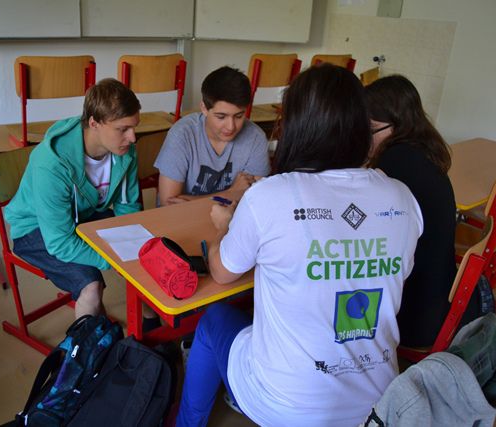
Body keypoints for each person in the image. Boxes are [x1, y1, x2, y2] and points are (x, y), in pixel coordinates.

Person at [175, 65, 423, 427]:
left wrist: (224, 229)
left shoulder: (269, 196)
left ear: (296, 126)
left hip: (286, 404)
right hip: (380, 403)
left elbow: (221, 272)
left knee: (214, 318)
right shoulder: (401, 197)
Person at [5, 78, 157, 323]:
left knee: (143, 252)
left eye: (134, 127)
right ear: (94, 123)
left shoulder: (124, 151)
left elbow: (127, 208)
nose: (132, 137)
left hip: (83, 216)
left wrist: (133, 250)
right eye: (122, 129)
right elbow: (59, 242)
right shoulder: (52, 163)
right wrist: (113, 259)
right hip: (36, 229)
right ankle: (90, 343)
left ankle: (148, 323)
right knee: (91, 286)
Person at [365, 75, 481, 348]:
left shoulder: (394, 163)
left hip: (415, 316)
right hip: (440, 302)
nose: (365, 138)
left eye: (371, 129)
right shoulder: (424, 151)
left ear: (397, 124)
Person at [154, 66, 271, 206]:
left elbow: (255, 200)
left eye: (239, 116)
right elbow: (169, 204)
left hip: (232, 218)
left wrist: (191, 202)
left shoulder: (256, 138)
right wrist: (232, 193)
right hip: (182, 218)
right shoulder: (182, 134)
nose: (231, 126)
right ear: (204, 108)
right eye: (221, 117)